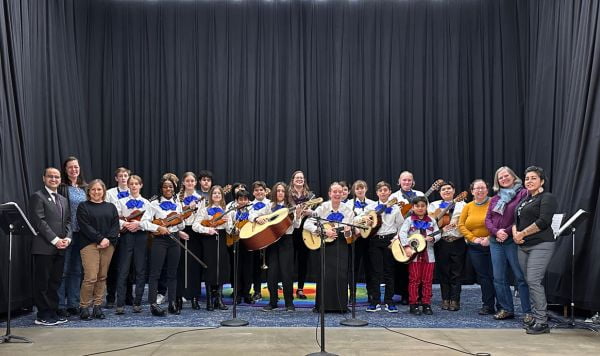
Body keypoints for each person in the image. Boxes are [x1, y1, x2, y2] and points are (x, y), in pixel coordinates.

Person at [513, 166, 558, 334]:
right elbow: (514, 221)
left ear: (542, 181)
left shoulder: (547, 198)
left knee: (533, 281)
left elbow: (543, 221)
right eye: (527, 178)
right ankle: (535, 317)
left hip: (541, 244)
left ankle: (542, 321)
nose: (529, 181)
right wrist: (516, 234)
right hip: (523, 246)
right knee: (528, 281)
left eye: (533, 178)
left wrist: (522, 234)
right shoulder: (524, 200)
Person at [485, 167, 531, 321]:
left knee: (520, 277)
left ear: (513, 176)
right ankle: (507, 309)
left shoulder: (523, 194)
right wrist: (497, 232)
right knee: (498, 277)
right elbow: (488, 220)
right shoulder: (495, 199)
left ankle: (528, 312)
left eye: (506, 176)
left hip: (513, 240)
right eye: (500, 177)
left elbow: (522, 217)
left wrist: (506, 231)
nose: (503, 179)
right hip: (496, 241)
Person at [140, 175, 189, 316]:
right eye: (165, 187)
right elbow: (143, 223)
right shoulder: (153, 204)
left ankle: (172, 302)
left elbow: (181, 225)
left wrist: (180, 221)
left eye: (171, 187)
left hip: (174, 239)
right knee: (155, 273)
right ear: (161, 189)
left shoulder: (178, 203)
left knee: (172, 273)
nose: (168, 189)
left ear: (174, 189)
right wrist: (158, 228)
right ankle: (153, 304)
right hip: (159, 240)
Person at [29, 167, 72, 326]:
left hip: (61, 247)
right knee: (43, 282)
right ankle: (42, 315)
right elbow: (39, 222)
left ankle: (53, 311)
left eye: (56, 177)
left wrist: (67, 239)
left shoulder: (63, 199)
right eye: (50, 176)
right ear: (44, 178)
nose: (54, 179)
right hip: (44, 247)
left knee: (55, 281)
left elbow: (68, 222)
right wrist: (55, 240)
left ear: (60, 180)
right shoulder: (37, 196)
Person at [304, 182, 353, 313]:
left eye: (340, 192)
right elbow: (307, 224)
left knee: (341, 275)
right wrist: (324, 232)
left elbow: (349, 234)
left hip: (341, 244)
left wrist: (348, 230)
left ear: (343, 193)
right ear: (330, 193)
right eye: (334, 192)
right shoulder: (322, 207)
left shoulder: (348, 210)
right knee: (325, 274)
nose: (337, 194)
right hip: (325, 244)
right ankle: (323, 305)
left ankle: (341, 306)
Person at [76, 179, 120, 320]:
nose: (96, 192)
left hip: (108, 245)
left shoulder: (111, 207)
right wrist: (100, 239)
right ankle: (84, 307)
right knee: (91, 277)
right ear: (89, 191)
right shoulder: (83, 206)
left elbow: (115, 226)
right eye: (93, 189)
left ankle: (97, 306)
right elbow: (85, 226)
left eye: (99, 189)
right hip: (89, 244)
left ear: (103, 191)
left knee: (102, 277)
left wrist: (107, 240)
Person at [362, 181, 404, 313]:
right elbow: (362, 221)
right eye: (380, 191)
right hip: (375, 240)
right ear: (377, 193)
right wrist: (367, 220)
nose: (383, 192)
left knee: (389, 272)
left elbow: (401, 226)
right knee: (375, 272)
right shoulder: (371, 206)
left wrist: (396, 239)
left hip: (389, 240)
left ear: (390, 192)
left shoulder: (396, 208)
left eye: (385, 190)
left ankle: (389, 301)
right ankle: (375, 301)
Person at [458, 179, 499, 315]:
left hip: (494, 245)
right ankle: (487, 305)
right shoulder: (468, 206)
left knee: (497, 276)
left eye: (483, 188)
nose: (480, 190)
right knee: (484, 277)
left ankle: (502, 305)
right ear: (472, 191)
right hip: (475, 247)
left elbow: (500, 222)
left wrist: (489, 238)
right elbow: (461, 225)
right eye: (477, 188)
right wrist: (473, 238)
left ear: (487, 190)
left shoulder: (495, 203)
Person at [259, 182, 299, 312]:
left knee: (287, 273)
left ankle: (289, 303)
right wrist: (257, 219)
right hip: (272, 241)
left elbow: (297, 226)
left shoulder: (291, 207)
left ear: (286, 193)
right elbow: (254, 215)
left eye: (282, 191)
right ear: (274, 193)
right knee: (272, 274)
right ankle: (273, 301)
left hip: (286, 241)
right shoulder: (269, 206)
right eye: (278, 191)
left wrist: (298, 214)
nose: (280, 193)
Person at [114, 175, 150, 314]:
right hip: (126, 236)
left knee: (140, 270)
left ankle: (137, 302)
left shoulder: (147, 203)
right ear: (128, 185)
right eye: (132, 183)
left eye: (137, 183)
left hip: (141, 236)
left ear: (141, 185)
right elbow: (115, 217)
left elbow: (149, 220)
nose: (134, 186)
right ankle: (120, 303)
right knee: (123, 270)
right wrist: (126, 224)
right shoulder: (121, 201)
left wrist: (139, 224)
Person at [398, 196, 440, 315]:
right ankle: (413, 304)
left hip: (429, 255)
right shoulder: (409, 220)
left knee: (427, 280)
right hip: (414, 256)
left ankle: (426, 304)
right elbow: (402, 234)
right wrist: (406, 247)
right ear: (413, 207)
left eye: (423, 206)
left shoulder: (431, 220)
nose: (420, 208)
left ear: (426, 206)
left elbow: (438, 234)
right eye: (417, 206)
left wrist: (433, 237)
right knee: (414, 280)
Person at [56, 156, 86, 317]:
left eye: (76, 167)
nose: (74, 170)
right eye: (70, 167)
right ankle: (60, 304)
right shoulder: (61, 188)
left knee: (77, 270)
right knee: (63, 270)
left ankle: (73, 303)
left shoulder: (84, 188)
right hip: (66, 234)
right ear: (65, 170)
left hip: (82, 235)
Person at [192, 185, 230, 311]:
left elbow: (229, 229)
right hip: (209, 240)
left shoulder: (226, 210)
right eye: (214, 193)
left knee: (221, 268)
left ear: (222, 196)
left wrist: (229, 222)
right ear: (211, 196)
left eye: (219, 193)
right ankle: (209, 300)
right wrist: (207, 229)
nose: (217, 195)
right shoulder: (204, 210)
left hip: (222, 238)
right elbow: (195, 226)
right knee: (210, 269)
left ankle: (218, 300)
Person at [429, 182, 466, 311]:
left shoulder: (463, 205)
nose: (446, 191)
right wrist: (440, 227)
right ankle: (445, 299)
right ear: (440, 193)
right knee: (443, 272)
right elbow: (429, 223)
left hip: (457, 241)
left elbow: (467, 222)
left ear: (454, 190)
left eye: (449, 188)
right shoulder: (434, 205)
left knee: (456, 272)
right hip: (442, 242)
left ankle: (455, 300)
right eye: (443, 189)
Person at [390, 171, 424, 305]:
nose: (407, 182)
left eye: (409, 180)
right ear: (399, 181)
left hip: (418, 234)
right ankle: (404, 294)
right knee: (403, 266)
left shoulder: (420, 194)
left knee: (418, 265)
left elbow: (425, 211)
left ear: (413, 182)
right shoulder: (394, 197)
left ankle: (419, 294)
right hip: (401, 233)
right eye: (404, 180)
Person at [104, 167, 132, 309]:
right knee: (113, 267)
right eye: (120, 176)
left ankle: (128, 296)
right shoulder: (109, 193)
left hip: (129, 234)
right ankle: (110, 297)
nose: (123, 178)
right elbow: (108, 213)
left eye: (125, 175)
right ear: (116, 178)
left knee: (127, 267)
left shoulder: (133, 191)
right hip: (114, 233)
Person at [176, 172, 204, 311]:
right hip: (181, 231)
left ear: (195, 183)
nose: (190, 183)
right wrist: (179, 231)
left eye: (192, 181)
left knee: (194, 266)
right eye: (187, 181)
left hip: (195, 232)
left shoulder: (200, 198)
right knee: (180, 266)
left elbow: (201, 217)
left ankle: (194, 297)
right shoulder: (177, 198)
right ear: (184, 182)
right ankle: (179, 297)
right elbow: (174, 217)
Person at [346, 180, 375, 305]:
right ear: (354, 190)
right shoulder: (348, 204)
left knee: (370, 267)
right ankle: (352, 294)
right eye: (357, 188)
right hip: (356, 239)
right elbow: (347, 220)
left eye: (362, 188)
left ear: (366, 189)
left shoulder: (373, 204)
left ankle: (371, 294)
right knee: (353, 268)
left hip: (369, 239)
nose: (360, 190)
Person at [288, 170, 316, 300]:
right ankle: (287, 288)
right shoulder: (287, 194)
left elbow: (316, 213)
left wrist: (310, 212)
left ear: (304, 180)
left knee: (303, 261)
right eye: (297, 177)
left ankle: (300, 288)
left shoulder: (310, 195)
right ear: (293, 180)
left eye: (301, 178)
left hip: (305, 230)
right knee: (288, 261)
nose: (299, 179)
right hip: (290, 230)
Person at [249, 180, 271, 302]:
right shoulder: (250, 205)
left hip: (269, 237)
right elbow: (249, 216)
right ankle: (257, 291)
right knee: (256, 267)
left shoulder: (270, 203)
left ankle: (272, 292)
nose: (259, 192)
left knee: (271, 265)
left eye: (261, 189)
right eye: (256, 190)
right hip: (256, 237)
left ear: (265, 191)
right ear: (253, 192)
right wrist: (256, 218)